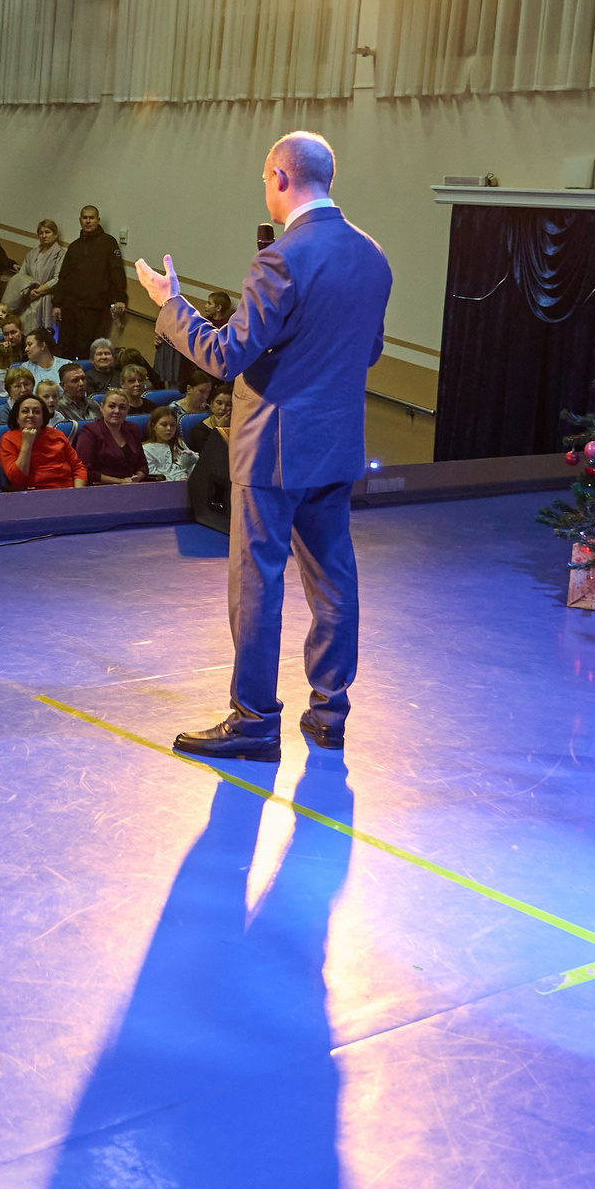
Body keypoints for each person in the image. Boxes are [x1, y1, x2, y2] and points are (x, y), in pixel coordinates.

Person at [136, 131, 391, 761]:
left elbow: (225, 356)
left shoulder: (283, 259)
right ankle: (329, 713)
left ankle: (254, 721)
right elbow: (372, 350)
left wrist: (172, 307)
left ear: (280, 178)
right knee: (334, 579)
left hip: (274, 448)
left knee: (259, 585)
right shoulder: (372, 255)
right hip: (335, 446)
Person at [54, 205, 128, 360]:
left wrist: (120, 298)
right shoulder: (74, 246)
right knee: (65, 348)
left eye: (91, 218)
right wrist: (56, 303)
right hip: (70, 306)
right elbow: (64, 276)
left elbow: (117, 272)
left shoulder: (108, 243)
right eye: (85, 217)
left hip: (94, 307)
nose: (88, 221)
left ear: (98, 220)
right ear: (80, 220)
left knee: (86, 349)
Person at [0, 394, 85, 491]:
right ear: (17, 418)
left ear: (43, 418)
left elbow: (78, 468)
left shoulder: (57, 435)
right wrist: (27, 443)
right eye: (25, 411)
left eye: (37, 412)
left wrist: (78, 492)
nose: (31, 415)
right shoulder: (8, 440)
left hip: (68, 492)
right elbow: (17, 479)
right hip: (34, 495)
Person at [74, 389, 147, 484]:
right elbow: (85, 471)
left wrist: (137, 477)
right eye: (112, 406)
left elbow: (142, 465)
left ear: (128, 409)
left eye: (122, 407)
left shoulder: (132, 429)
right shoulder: (90, 431)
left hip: (133, 486)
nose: (117, 411)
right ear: (102, 407)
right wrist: (121, 481)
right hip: (102, 489)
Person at [143, 408, 198, 481]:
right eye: (164, 425)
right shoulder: (147, 449)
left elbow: (193, 464)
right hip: (167, 487)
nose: (169, 428)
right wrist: (177, 481)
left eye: (172, 425)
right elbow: (153, 476)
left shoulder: (179, 443)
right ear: (154, 426)